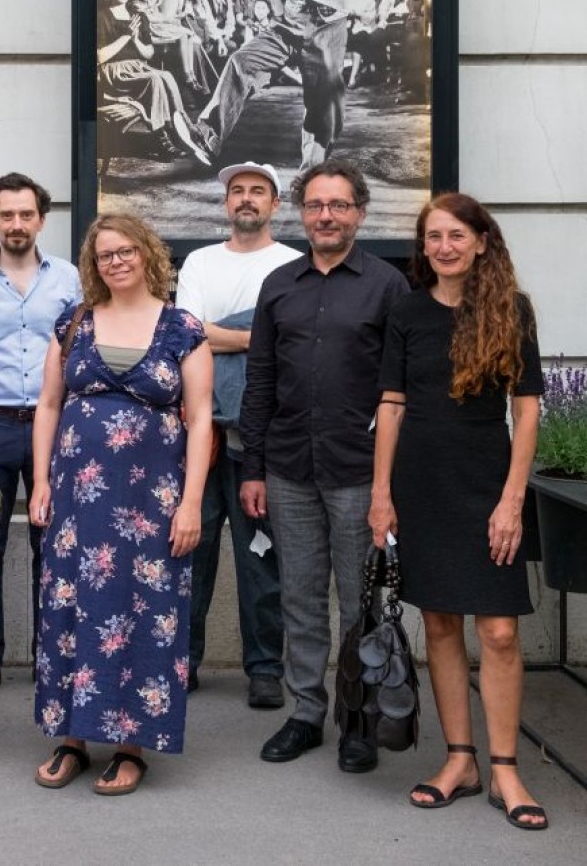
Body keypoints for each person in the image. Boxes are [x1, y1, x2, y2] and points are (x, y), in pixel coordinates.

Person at [370, 193, 548, 830]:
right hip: (421, 484)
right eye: (432, 237)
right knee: (441, 625)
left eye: (454, 235)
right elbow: (391, 405)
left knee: (498, 631)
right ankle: (461, 759)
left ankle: (506, 767)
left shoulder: (510, 311)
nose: (443, 247)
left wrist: (510, 500)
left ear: (480, 241)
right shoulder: (408, 313)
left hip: (486, 483)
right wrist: (381, 493)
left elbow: (526, 410)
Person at [29, 213, 213, 795]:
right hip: (78, 502)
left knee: (142, 614)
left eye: (126, 250)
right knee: (70, 610)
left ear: (147, 254)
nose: (117, 261)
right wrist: (40, 482)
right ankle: (71, 738)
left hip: (151, 505)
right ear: (94, 263)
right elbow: (49, 407)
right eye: (105, 253)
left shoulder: (182, 327)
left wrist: (191, 504)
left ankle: (132, 745)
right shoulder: (74, 323)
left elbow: (203, 418)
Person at [239, 160, 408, 773]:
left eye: (338, 206)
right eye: (316, 206)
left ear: (359, 213)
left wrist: (391, 484)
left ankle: (358, 720)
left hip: (360, 472)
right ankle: (306, 712)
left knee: (360, 602)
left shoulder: (389, 286)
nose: (326, 217)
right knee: (301, 599)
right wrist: (253, 467)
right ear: (300, 213)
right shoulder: (279, 285)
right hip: (287, 469)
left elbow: (401, 389)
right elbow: (258, 381)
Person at [0, 173, 80, 702]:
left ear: (42, 220)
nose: (17, 224)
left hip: (58, 424)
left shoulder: (70, 278)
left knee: (54, 545)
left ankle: (54, 655)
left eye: (26, 214)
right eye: (7, 215)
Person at [177, 162, 298, 707]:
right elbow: (186, 336)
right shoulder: (200, 262)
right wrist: (256, 337)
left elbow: (291, 348)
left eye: (258, 191)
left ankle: (265, 668)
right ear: (225, 204)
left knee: (261, 560)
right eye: (237, 191)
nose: (246, 199)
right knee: (190, 552)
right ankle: (182, 661)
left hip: (264, 440)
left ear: (275, 204)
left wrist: (224, 336)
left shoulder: (293, 265)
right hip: (201, 434)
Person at [191, 0, 361, 168]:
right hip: (289, 27)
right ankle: (209, 135)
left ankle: (313, 168)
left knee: (326, 103)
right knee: (242, 61)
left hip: (327, 33)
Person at [97, 0, 209, 162]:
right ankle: (161, 137)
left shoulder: (138, 15)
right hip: (115, 72)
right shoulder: (101, 15)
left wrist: (135, 39)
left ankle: (183, 129)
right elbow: (100, 57)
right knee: (156, 78)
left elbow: (149, 52)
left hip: (139, 67)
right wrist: (125, 37)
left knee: (167, 76)